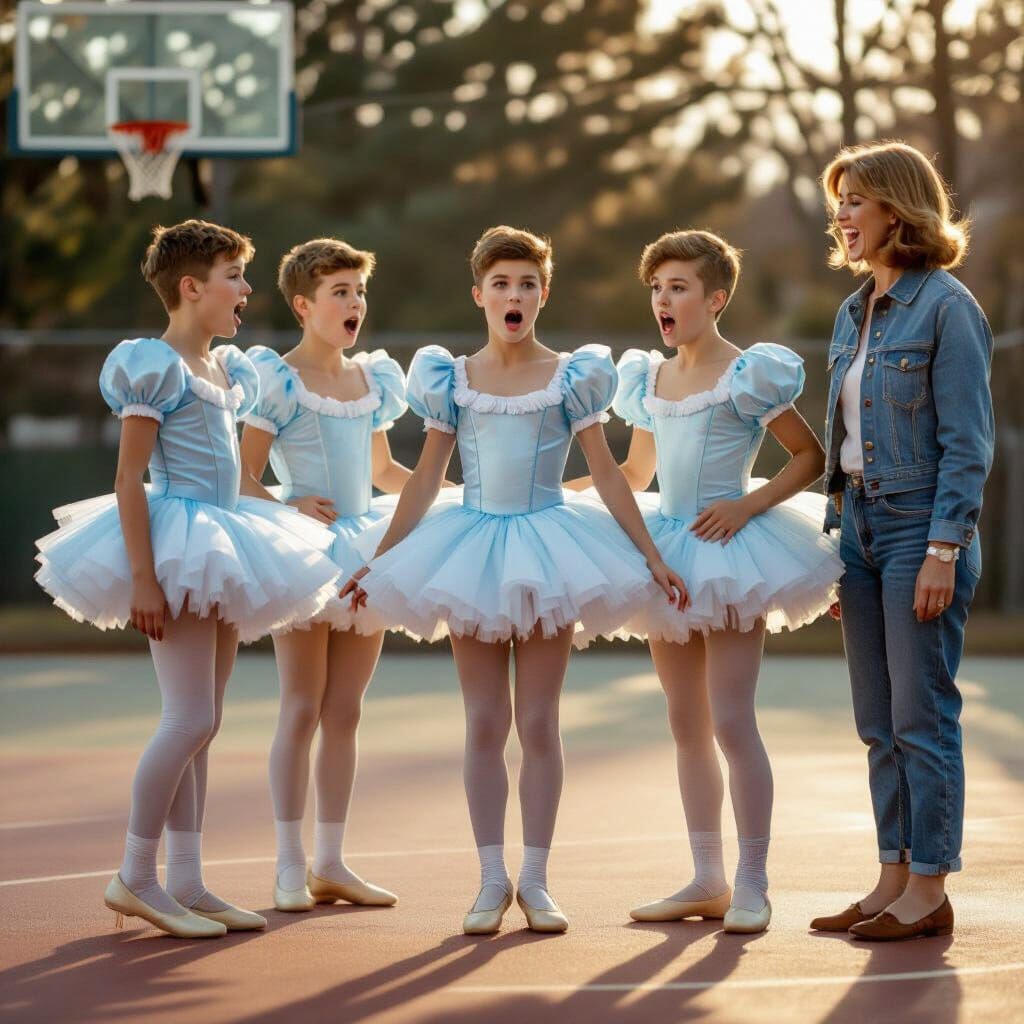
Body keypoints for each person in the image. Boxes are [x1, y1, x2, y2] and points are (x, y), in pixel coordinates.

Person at [343, 226, 687, 935]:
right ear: (479, 294)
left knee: (536, 723)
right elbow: (428, 478)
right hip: (471, 550)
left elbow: (609, 475)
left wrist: (651, 554)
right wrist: (378, 558)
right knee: (483, 722)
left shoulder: (572, 374)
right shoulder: (451, 377)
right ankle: (490, 880)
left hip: (549, 549)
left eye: (527, 283)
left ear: (543, 294)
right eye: (501, 283)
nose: (514, 294)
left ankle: (535, 880)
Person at [35, 220, 342, 938]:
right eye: (235, 276)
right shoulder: (156, 365)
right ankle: (135, 877)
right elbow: (129, 478)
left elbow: (234, 474)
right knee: (190, 718)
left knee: (205, 725)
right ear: (191, 288)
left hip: (225, 541)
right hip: (177, 549)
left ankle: (188, 881)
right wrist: (144, 578)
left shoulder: (226, 372)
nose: (247, 290)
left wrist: (282, 506)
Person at [569, 229, 842, 934]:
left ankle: (754, 880)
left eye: (679, 287)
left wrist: (747, 504)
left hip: (730, 552)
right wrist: (557, 499)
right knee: (685, 722)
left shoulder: (750, 373)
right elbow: (633, 475)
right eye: (656, 288)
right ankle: (707, 877)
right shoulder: (647, 380)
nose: (664, 299)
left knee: (730, 719)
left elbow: (809, 456)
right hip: (667, 551)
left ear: (715, 298)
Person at [810, 141, 994, 941]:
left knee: (922, 716)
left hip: (923, 527)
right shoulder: (855, 311)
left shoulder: (949, 308)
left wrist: (943, 549)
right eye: (839, 201)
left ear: (897, 208)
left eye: (856, 200)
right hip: (860, 534)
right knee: (877, 721)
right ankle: (891, 874)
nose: (842, 216)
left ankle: (930, 885)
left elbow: (968, 444)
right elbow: (844, 441)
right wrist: (835, 545)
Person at [240, 238, 410, 913]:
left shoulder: (371, 380)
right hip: (303, 550)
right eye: (340, 293)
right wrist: (289, 501)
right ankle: (288, 865)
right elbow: (238, 476)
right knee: (302, 707)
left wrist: (450, 498)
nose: (354, 304)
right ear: (304, 305)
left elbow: (384, 473)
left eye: (359, 292)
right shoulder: (275, 379)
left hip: (363, 550)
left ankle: (332, 863)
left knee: (346, 710)